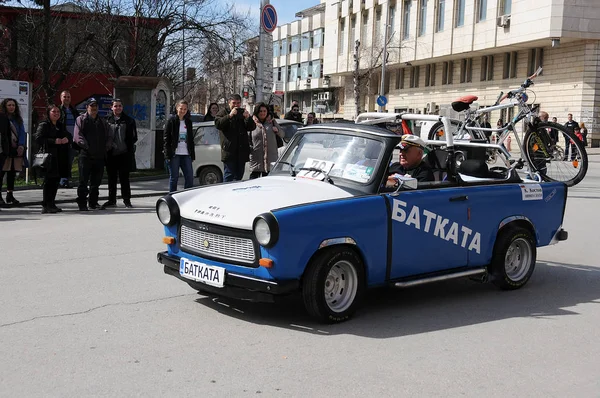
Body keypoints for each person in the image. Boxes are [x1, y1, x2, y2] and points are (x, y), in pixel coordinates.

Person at [73, 98, 113, 211]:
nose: (93, 109)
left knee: (96, 181)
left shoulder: (102, 121)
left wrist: (107, 147)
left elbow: (110, 135)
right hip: (85, 155)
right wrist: (86, 147)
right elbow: (77, 136)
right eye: (91, 106)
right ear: (87, 107)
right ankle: (82, 202)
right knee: (83, 181)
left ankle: (93, 202)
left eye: (95, 107)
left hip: (100, 156)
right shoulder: (81, 119)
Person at [34, 105, 71, 213]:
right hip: (48, 157)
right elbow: (38, 138)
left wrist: (66, 139)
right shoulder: (44, 125)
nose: (56, 114)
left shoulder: (60, 125)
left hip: (59, 157)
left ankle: (52, 203)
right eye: (53, 112)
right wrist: (53, 141)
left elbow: (69, 136)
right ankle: (46, 204)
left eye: (58, 112)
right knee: (49, 180)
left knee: (55, 180)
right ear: (48, 113)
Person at [102, 99, 138, 209]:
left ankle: (127, 200)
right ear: (111, 108)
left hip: (124, 154)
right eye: (115, 106)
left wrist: (127, 146)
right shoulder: (106, 120)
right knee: (111, 178)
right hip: (111, 154)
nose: (118, 108)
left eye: (120, 106)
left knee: (124, 179)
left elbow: (134, 137)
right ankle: (111, 200)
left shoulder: (129, 120)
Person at [214, 94, 256, 181]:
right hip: (229, 152)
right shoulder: (223, 112)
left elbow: (252, 127)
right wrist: (229, 116)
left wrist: (248, 118)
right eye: (234, 103)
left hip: (241, 152)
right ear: (229, 103)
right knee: (229, 176)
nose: (236, 105)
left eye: (238, 103)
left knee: (239, 176)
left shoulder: (242, 113)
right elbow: (218, 124)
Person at [0, 98, 27, 206]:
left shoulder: (18, 119)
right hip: (5, 148)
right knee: (1, 172)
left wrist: (21, 145)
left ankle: (10, 194)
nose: (11, 107)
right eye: (9, 105)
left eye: (13, 105)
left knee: (12, 172)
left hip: (16, 149)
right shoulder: (2, 118)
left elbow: (22, 132)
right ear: (5, 106)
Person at [164, 100, 195, 192]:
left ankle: (187, 196)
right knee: (174, 177)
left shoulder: (188, 122)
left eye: (185, 109)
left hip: (186, 153)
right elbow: (166, 138)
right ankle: (172, 197)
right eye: (181, 108)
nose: (183, 111)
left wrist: (192, 154)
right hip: (175, 153)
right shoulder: (171, 121)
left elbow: (191, 139)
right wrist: (167, 154)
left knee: (189, 177)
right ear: (177, 108)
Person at [248, 102, 283, 179]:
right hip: (256, 158)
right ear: (257, 112)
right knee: (253, 183)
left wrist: (277, 130)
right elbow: (248, 139)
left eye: (264, 111)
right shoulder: (252, 122)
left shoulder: (272, 122)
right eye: (260, 111)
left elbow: (282, 134)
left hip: (271, 158)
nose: (262, 113)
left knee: (268, 184)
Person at [58, 90, 80, 188]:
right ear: (61, 98)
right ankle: (61, 179)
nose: (66, 98)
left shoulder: (74, 110)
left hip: (73, 140)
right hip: (62, 139)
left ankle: (66, 179)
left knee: (69, 160)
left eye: (68, 97)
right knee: (61, 160)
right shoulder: (58, 110)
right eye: (64, 97)